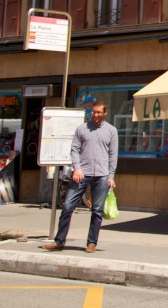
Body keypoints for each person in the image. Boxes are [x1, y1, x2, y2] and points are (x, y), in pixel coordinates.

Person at [41, 100, 118, 253]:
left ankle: (91, 243)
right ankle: (59, 241)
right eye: (93, 112)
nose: (95, 115)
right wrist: (77, 168)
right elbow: (74, 149)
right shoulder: (82, 129)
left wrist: (111, 175)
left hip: (102, 175)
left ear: (105, 113)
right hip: (82, 174)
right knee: (68, 206)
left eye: (98, 112)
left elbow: (113, 154)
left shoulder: (111, 131)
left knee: (97, 210)